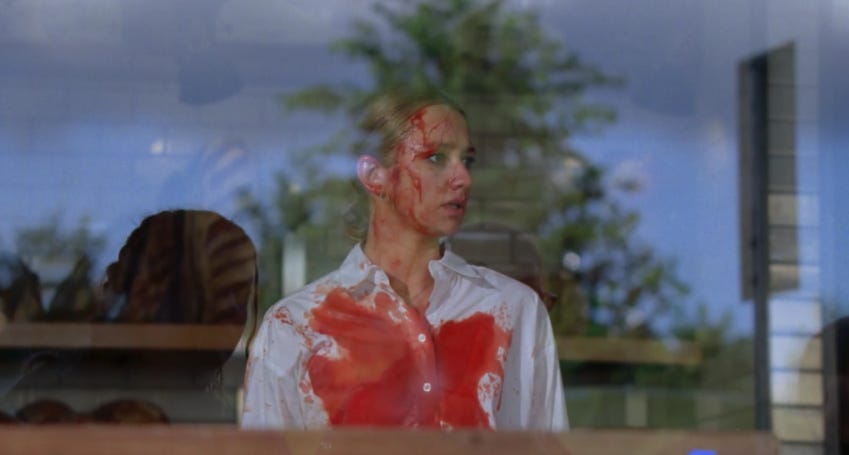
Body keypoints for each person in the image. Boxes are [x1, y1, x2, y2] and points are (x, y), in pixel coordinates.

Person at [240, 91, 568, 431]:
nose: (463, 178)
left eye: (467, 161)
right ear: (374, 175)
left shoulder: (514, 309)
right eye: (436, 157)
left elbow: (547, 445)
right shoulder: (294, 326)